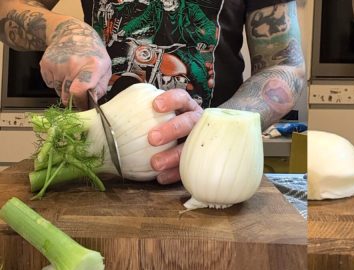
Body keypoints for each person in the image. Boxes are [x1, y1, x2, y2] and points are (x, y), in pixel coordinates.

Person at [0, 0, 306, 184]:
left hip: (213, 167)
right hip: (95, 165)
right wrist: (65, 30)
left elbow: (286, 65)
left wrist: (217, 129)